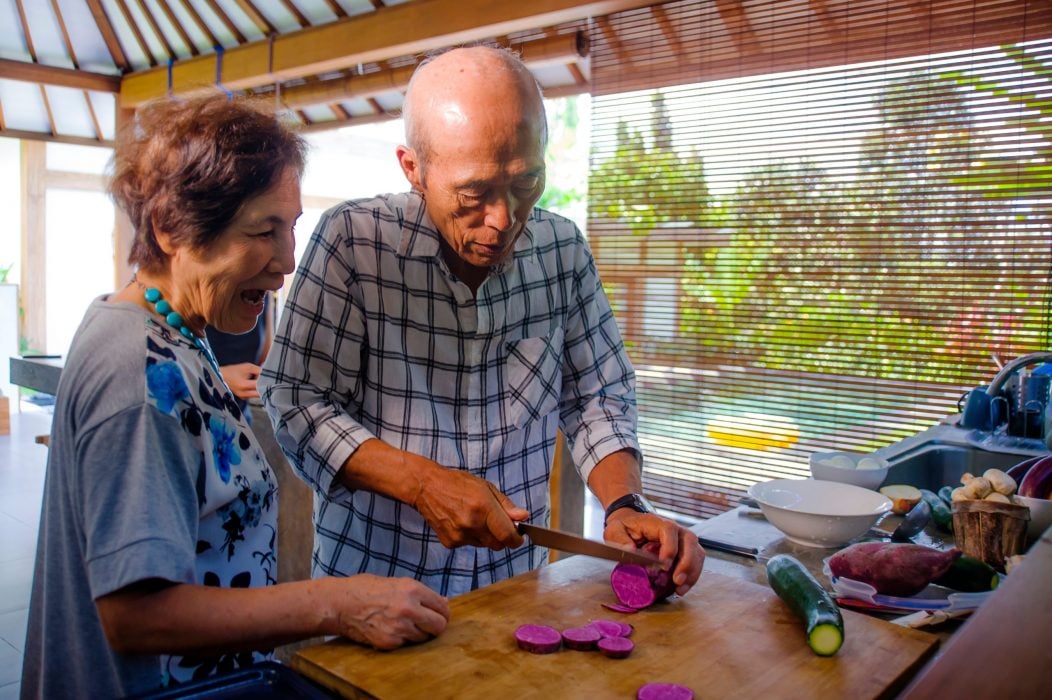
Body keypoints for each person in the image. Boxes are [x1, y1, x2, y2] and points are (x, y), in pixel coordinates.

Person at [21, 93, 449, 699]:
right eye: (262, 230)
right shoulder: (139, 371)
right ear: (172, 227)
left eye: (292, 226)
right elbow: (135, 614)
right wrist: (333, 603)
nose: (287, 261)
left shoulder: (175, 336)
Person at [259, 45, 705, 598]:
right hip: (370, 593)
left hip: (513, 588)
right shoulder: (353, 244)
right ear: (414, 169)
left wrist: (622, 503)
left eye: (525, 184)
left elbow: (598, 394)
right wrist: (423, 484)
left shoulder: (561, 251)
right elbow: (296, 400)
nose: (504, 219)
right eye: (474, 193)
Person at [206, 291, 273, 421]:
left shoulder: (263, 293)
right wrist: (219, 376)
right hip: (204, 412)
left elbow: (265, 353)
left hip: (239, 416)